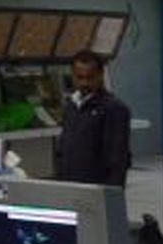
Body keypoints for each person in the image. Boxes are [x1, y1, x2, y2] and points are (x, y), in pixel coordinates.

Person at [55, 50, 131, 187]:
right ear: (72, 76)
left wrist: (112, 193)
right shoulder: (71, 105)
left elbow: (118, 158)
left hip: (97, 187)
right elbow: (64, 146)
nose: (84, 83)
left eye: (90, 77)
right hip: (69, 183)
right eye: (80, 77)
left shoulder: (114, 108)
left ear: (100, 75)